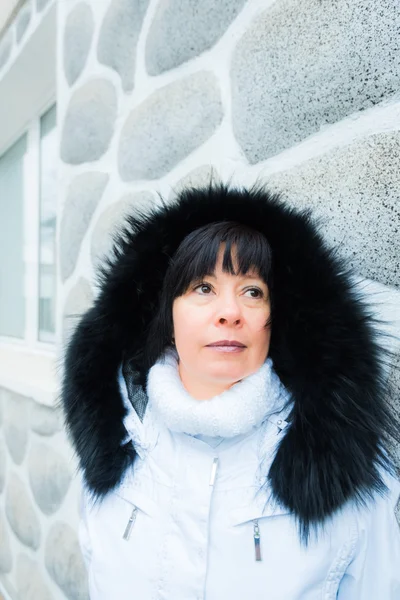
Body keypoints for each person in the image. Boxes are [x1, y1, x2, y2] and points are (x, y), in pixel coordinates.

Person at [61, 183, 400, 599]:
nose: (230, 313)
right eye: (203, 288)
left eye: (253, 292)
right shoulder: (117, 451)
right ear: (166, 314)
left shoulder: (347, 477)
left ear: (277, 320)